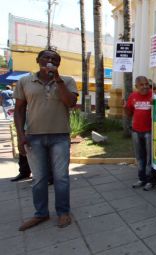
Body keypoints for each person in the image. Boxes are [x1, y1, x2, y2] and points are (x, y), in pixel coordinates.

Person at [14, 49, 78, 231]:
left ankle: (63, 212)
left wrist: (57, 79)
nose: (50, 60)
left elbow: (71, 103)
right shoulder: (25, 81)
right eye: (46, 57)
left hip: (60, 136)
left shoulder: (67, 81)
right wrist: (20, 136)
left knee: (61, 177)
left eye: (54, 59)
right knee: (39, 178)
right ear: (37, 60)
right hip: (34, 137)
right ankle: (41, 213)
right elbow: (19, 110)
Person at [125, 76, 156, 191]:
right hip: (136, 131)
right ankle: (141, 178)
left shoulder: (154, 95)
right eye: (141, 85)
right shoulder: (133, 96)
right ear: (136, 86)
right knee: (140, 157)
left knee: (149, 158)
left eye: (146, 84)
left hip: (149, 131)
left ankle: (150, 180)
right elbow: (128, 113)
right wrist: (124, 107)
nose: (145, 87)